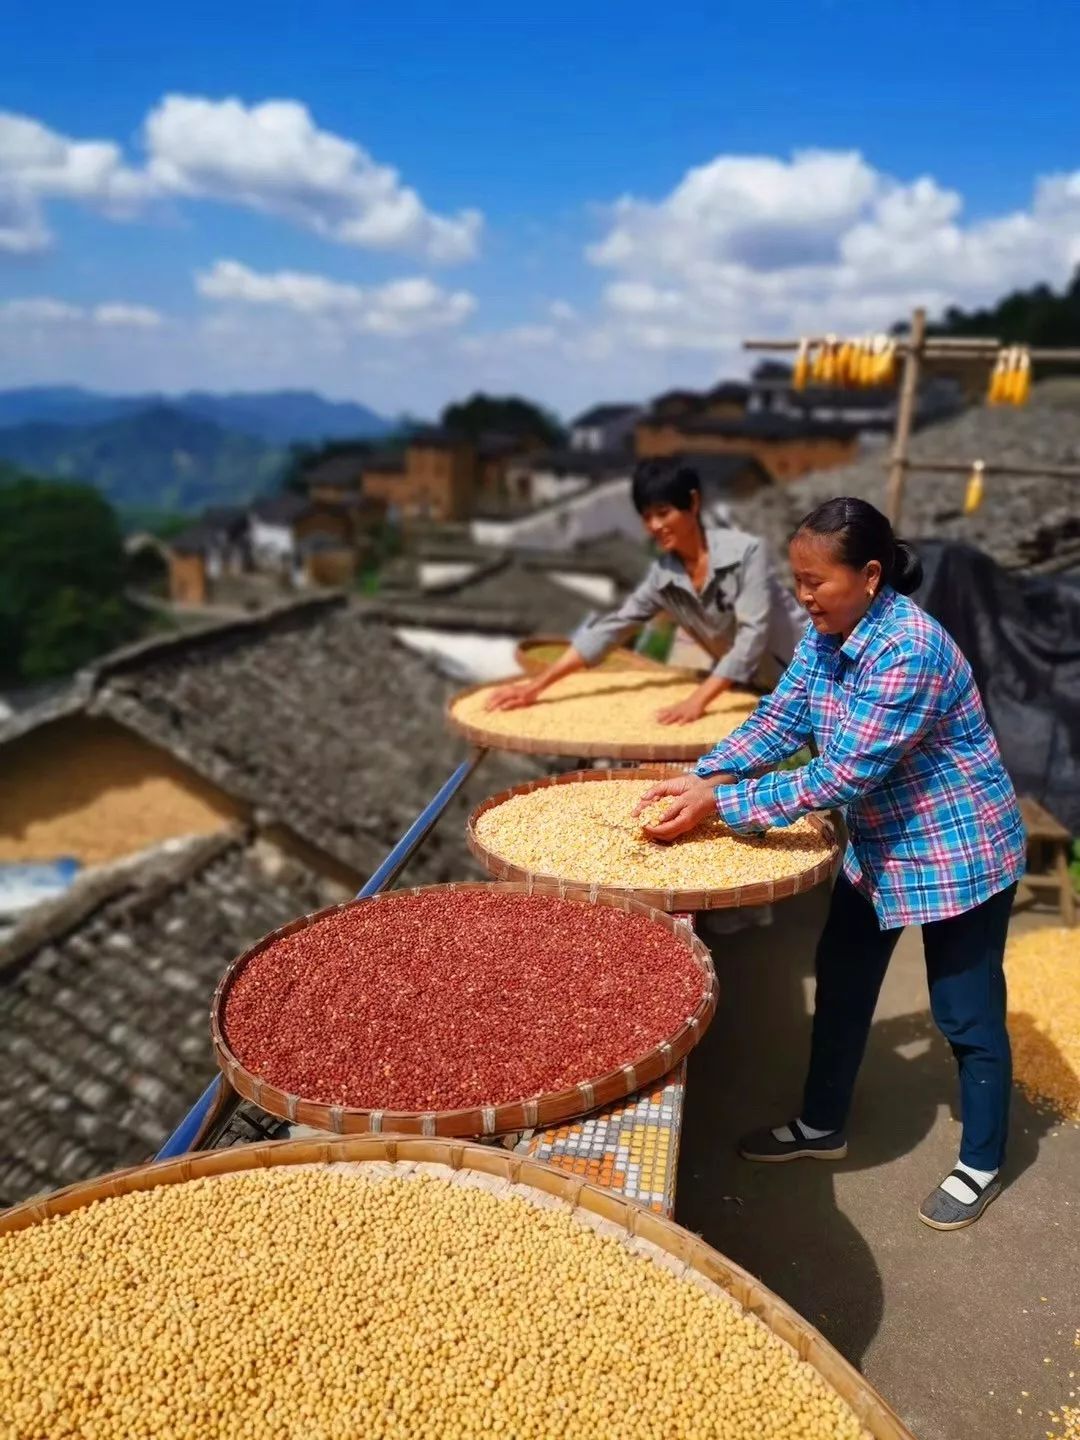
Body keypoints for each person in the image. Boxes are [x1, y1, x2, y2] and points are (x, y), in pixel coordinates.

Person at [634, 496, 1026, 1230]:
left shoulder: (909, 650)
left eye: (816, 582)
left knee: (965, 1016)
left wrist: (727, 806)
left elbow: (840, 775)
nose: (803, 597)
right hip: (881, 844)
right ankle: (822, 1125)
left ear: (871, 576)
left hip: (957, 850)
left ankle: (982, 1159)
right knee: (843, 987)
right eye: (797, 580)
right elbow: (784, 718)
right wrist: (708, 775)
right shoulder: (829, 631)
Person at [485, 458, 805, 724]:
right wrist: (536, 688)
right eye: (647, 517)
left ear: (692, 504)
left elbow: (752, 637)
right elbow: (611, 629)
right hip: (753, 691)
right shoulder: (662, 577)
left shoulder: (746, 553)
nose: (654, 526)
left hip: (809, 674)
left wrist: (697, 701)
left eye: (663, 513)